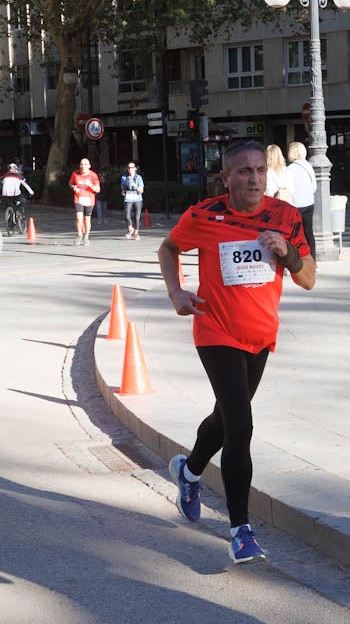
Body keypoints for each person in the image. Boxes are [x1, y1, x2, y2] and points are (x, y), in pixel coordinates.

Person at [157, 140, 316, 564]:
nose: (254, 178)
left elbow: (309, 278)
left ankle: (188, 472)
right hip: (215, 331)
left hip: (260, 336)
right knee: (241, 424)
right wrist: (176, 291)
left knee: (226, 415)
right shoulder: (205, 214)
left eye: (260, 170)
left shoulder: (284, 217)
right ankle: (241, 531)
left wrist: (289, 253)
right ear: (225, 178)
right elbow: (168, 247)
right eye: (244, 171)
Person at [284, 141, 318, 254]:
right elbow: (314, 186)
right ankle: (313, 259)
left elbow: (289, 188)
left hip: (295, 204)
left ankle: (299, 258)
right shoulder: (308, 166)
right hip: (309, 202)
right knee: (309, 233)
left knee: (296, 234)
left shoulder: (290, 169)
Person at [70, 157, 101, 244]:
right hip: (78, 198)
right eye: (82, 164)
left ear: (89, 166)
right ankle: (79, 235)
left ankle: (86, 237)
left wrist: (90, 185)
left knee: (87, 219)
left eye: (85, 164)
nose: (83, 166)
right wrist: (74, 187)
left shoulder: (93, 175)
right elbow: (71, 183)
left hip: (89, 199)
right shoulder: (75, 174)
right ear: (79, 165)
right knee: (79, 218)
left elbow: (98, 190)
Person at [120, 162, 145, 239]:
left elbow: (141, 190)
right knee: (127, 216)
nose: (130, 169)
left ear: (135, 169)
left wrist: (135, 186)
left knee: (137, 217)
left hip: (137, 199)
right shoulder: (124, 177)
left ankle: (136, 233)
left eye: (132, 167)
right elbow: (122, 187)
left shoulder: (138, 178)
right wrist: (123, 191)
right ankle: (130, 228)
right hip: (128, 199)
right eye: (129, 168)